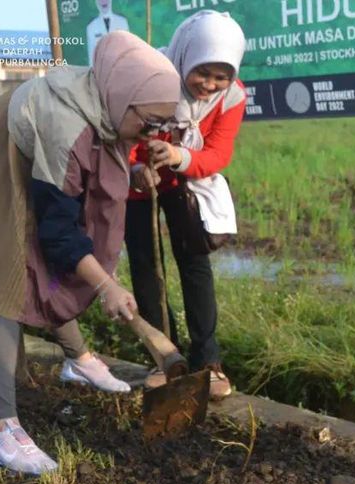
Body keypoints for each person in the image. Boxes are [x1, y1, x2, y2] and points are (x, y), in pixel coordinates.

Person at [0, 31, 181, 474]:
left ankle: (78, 360)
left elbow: (102, 160)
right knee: (9, 285)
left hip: (37, 161)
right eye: (149, 123)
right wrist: (107, 285)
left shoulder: (109, 102)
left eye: (162, 125)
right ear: (124, 100)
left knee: (45, 270)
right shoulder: (67, 126)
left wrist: (138, 170)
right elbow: (60, 233)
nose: (153, 132)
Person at [125, 11, 246, 399]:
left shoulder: (232, 97)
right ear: (184, 57)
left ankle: (207, 361)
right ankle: (164, 357)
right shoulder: (150, 78)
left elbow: (217, 153)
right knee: (146, 264)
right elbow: (117, 132)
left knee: (194, 263)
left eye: (220, 76)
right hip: (139, 181)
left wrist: (177, 157)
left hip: (185, 178)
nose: (209, 85)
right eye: (202, 72)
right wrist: (135, 167)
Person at [86, 0, 130, 65]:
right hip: (102, 72)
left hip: (121, 69)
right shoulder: (91, 27)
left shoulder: (122, 22)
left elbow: (128, 52)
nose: (103, 1)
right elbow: (91, 58)